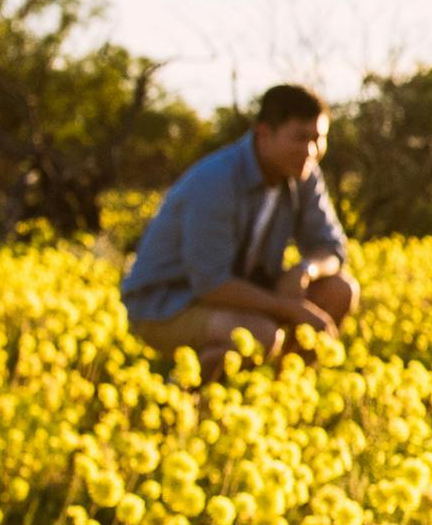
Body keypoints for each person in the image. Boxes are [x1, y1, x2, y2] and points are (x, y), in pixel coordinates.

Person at [122, 83, 359, 380]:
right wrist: (290, 309)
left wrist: (305, 270)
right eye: (300, 138)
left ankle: (282, 394)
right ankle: (182, 402)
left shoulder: (303, 172)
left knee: (340, 290)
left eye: (318, 139)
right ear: (264, 134)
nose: (310, 151)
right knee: (260, 335)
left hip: (238, 293)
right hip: (168, 305)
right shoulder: (217, 179)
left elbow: (333, 247)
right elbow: (211, 283)